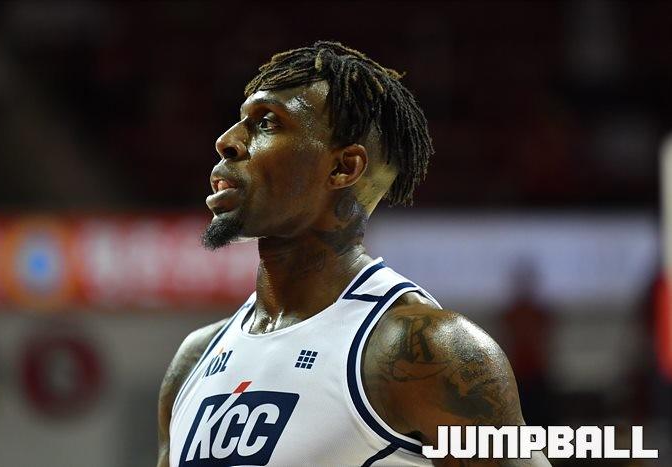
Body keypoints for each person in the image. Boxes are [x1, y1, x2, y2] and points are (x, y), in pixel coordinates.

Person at [157, 41, 550, 466]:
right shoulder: (195, 358)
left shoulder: (425, 352)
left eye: (267, 122)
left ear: (344, 167)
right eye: (240, 120)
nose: (227, 141)